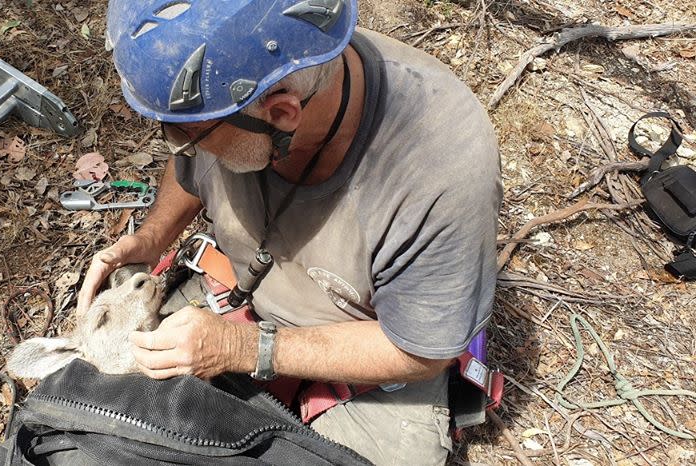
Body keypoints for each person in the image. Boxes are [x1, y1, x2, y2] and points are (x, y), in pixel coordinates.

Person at [76, 1, 502, 463]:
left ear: (282, 113)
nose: (178, 147)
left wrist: (242, 348)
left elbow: (420, 353)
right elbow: (189, 164)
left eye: (190, 135)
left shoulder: (440, 170)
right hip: (240, 299)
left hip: (371, 354)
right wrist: (153, 237)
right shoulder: (238, 94)